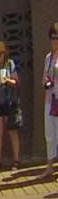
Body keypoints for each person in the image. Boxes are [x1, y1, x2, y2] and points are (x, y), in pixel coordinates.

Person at [0, 40, 21, 171]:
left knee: (12, 130)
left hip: (9, 100)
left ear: (4, 54)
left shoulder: (10, 64)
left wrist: (7, 80)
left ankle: (17, 160)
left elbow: (16, 81)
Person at [42, 23, 58, 179]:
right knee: (49, 133)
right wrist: (46, 81)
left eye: (56, 38)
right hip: (49, 99)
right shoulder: (48, 57)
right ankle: (50, 165)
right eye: (52, 38)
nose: (54, 41)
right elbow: (44, 76)